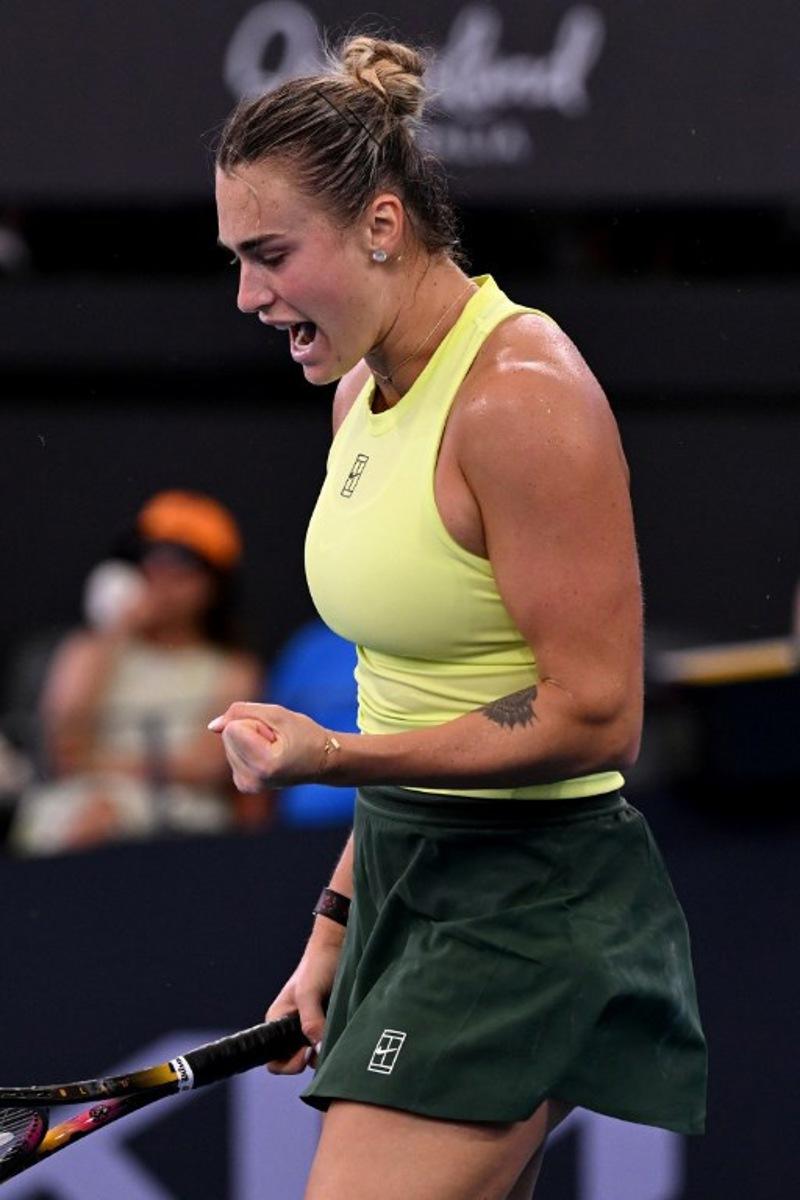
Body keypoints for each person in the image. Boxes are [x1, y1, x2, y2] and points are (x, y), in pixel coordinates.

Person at [210, 35, 707, 1200]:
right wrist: (336, 922)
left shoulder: (519, 396)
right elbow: (406, 684)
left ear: (381, 226)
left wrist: (335, 755)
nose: (246, 294)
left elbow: (597, 716)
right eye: (235, 259)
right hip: (405, 877)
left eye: (271, 254)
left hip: (531, 899)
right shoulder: (355, 398)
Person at [9, 490, 265, 854]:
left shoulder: (233, 669)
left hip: (177, 816)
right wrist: (116, 631)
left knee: (102, 820)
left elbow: (208, 767)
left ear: (213, 586)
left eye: (182, 565)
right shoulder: (90, 648)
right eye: (148, 562)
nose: (161, 578)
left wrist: (102, 769)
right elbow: (61, 746)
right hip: (72, 805)